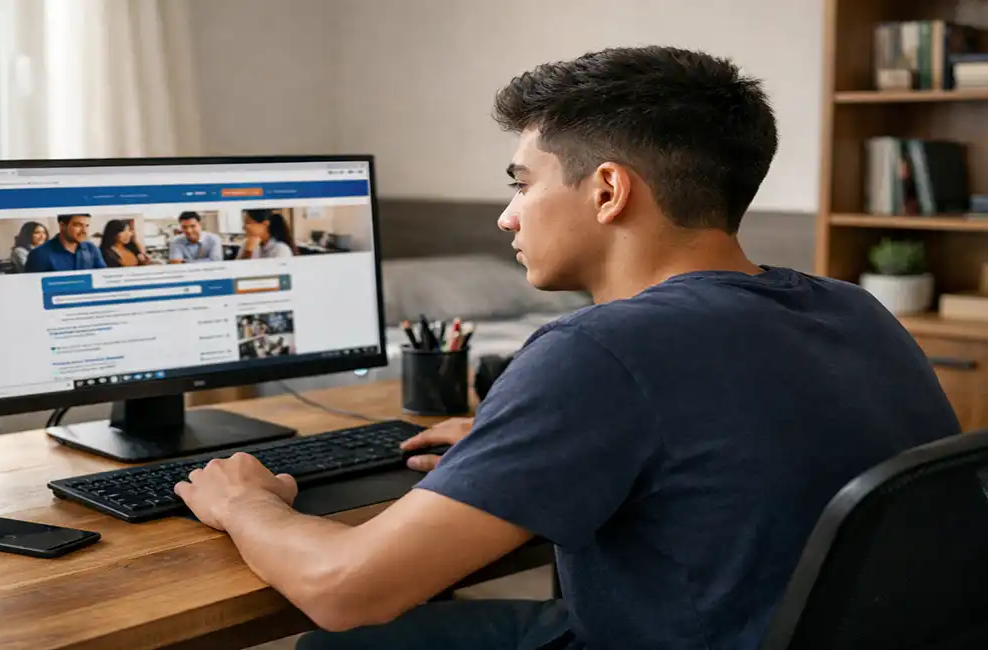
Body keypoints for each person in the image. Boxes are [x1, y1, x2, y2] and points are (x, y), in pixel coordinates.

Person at [171, 46, 960, 650]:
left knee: (334, 641)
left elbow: (345, 589)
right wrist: (519, 445)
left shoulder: (600, 352)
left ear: (608, 190)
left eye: (522, 183)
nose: (507, 216)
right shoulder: (853, 307)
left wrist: (243, 503)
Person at [23, 213, 107, 272]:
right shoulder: (39, 254)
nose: (84, 231)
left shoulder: (92, 249)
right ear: (62, 226)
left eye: (87, 226)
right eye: (78, 225)